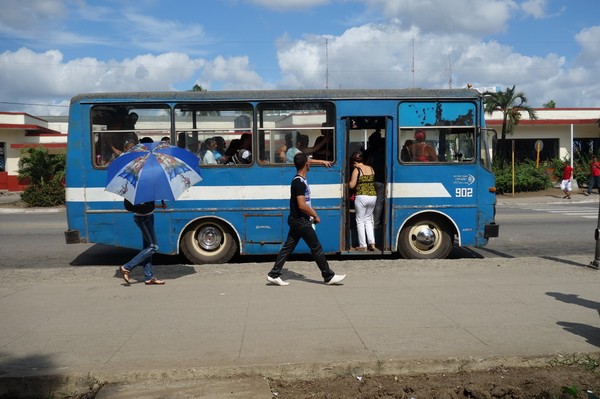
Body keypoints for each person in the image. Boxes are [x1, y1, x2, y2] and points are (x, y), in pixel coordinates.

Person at [267, 152, 346, 286]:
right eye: (309, 162)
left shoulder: (299, 179)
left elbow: (306, 160)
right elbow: (302, 205)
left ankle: (274, 274)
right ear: (306, 164)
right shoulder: (299, 183)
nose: (310, 163)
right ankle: (328, 276)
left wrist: (321, 162)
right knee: (316, 247)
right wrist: (315, 215)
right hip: (301, 220)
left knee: (288, 247)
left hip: (296, 220)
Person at [118, 136, 166, 286]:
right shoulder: (139, 172)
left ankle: (149, 277)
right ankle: (127, 267)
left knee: (147, 247)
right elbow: (139, 200)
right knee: (153, 247)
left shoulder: (148, 171)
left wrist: (158, 205)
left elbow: (147, 199)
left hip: (148, 215)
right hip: (142, 217)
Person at [348, 152, 377, 251]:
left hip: (361, 196)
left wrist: (346, 184)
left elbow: (352, 185)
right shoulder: (371, 168)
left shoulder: (357, 170)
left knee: (360, 221)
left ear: (354, 162)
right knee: (368, 220)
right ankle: (372, 242)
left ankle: (362, 245)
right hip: (373, 196)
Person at [363, 130, 385, 228]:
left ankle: (368, 223)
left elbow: (366, 164)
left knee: (370, 203)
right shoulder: (385, 152)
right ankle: (375, 224)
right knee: (378, 203)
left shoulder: (371, 152)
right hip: (381, 180)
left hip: (371, 180)